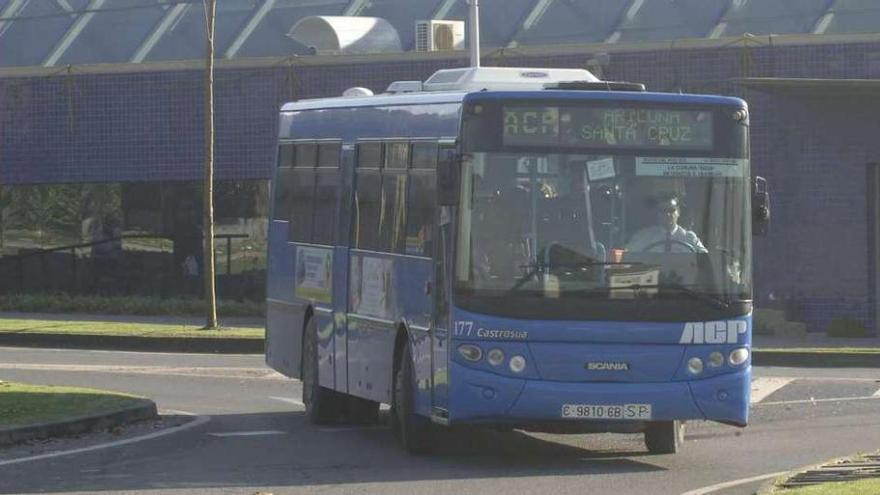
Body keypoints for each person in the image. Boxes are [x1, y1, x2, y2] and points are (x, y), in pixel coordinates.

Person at [626, 196, 707, 253]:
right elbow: (628, 255)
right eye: (663, 210)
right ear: (658, 214)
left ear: (678, 213)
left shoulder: (690, 238)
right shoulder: (644, 237)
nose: (668, 214)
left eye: (671, 210)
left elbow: (705, 260)